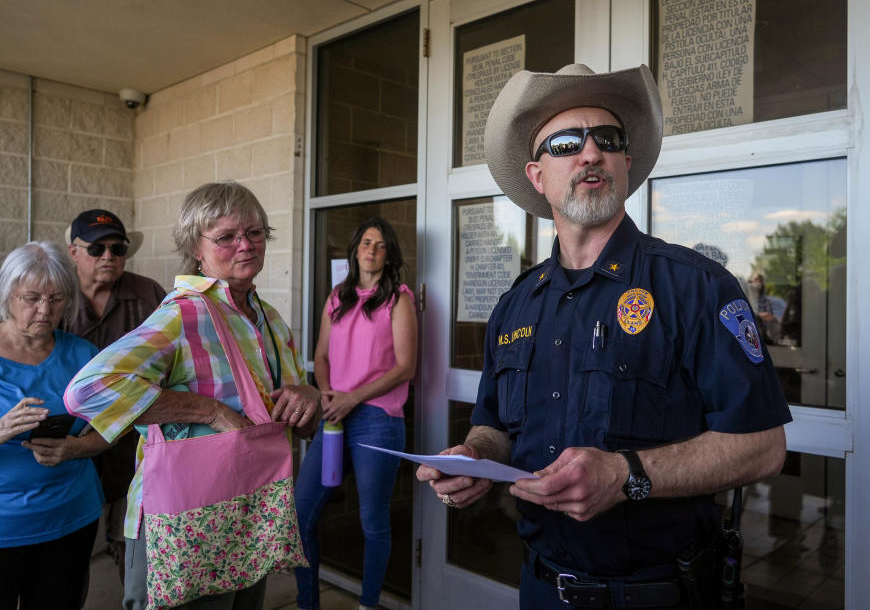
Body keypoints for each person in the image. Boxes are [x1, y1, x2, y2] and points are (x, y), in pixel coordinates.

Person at [417, 64, 792, 609]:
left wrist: (625, 475)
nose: (590, 153)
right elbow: (493, 425)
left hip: (661, 594)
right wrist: (474, 459)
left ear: (626, 163)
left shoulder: (695, 286)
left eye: (607, 139)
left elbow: (763, 447)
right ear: (537, 175)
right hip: (541, 588)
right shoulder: (515, 303)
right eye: (566, 142)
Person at [66, 182, 324, 610]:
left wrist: (309, 397)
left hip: (251, 516)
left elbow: (298, 423)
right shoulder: (183, 315)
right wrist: (211, 411)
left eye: (255, 233)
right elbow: (86, 391)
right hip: (183, 525)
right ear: (196, 249)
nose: (245, 245)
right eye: (226, 237)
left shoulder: (271, 321)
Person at [294, 217, 417, 610]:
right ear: (355, 249)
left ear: (388, 254)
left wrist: (353, 397)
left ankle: (367, 603)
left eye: (380, 244)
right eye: (366, 242)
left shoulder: (399, 299)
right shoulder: (337, 297)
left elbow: (405, 367)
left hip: (378, 418)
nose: (372, 249)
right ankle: (307, 603)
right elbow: (321, 355)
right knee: (300, 516)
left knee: (373, 521)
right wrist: (329, 394)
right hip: (334, 416)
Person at [0, 241, 107, 609]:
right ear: (8, 295)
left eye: (57, 299)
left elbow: (115, 426)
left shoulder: (83, 354)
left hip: (70, 517)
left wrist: (77, 448)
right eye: (31, 298)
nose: (45, 310)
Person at [64, 208, 168, 582]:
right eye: (97, 249)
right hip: (70, 445)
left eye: (117, 248)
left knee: (135, 545)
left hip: (133, 443)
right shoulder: (56, 296)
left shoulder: (147, 293)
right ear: (74, 252)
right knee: (69, 550)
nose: (108, 256)